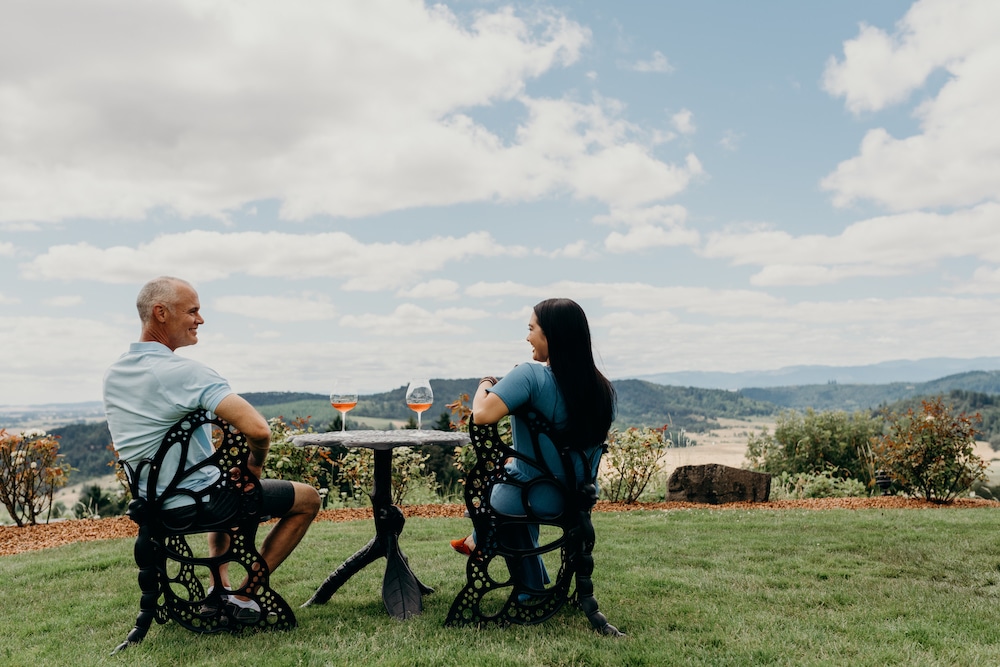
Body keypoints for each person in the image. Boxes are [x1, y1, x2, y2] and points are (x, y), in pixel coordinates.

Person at [103, 276, 321, 620]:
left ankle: (218, 589)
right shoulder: (185, 372)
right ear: (161, 313)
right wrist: (254, 466)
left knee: (222, 480)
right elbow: (259, 431)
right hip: (197, 504)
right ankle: (245, 596)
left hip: (152, 504)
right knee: (307, 498)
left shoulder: (115, 373)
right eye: (193, 311)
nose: (200, 320)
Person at [451, 297, 616, 594]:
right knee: (513, 473)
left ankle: (487, 543)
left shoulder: (530, 375)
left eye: (531, 329)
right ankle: (528, 584)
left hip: (531, 496)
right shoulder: (601, 387)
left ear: (551, 334)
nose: (527, 337)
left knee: (503, 493)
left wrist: (485, 383)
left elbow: (481, 415)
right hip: (578, 499)